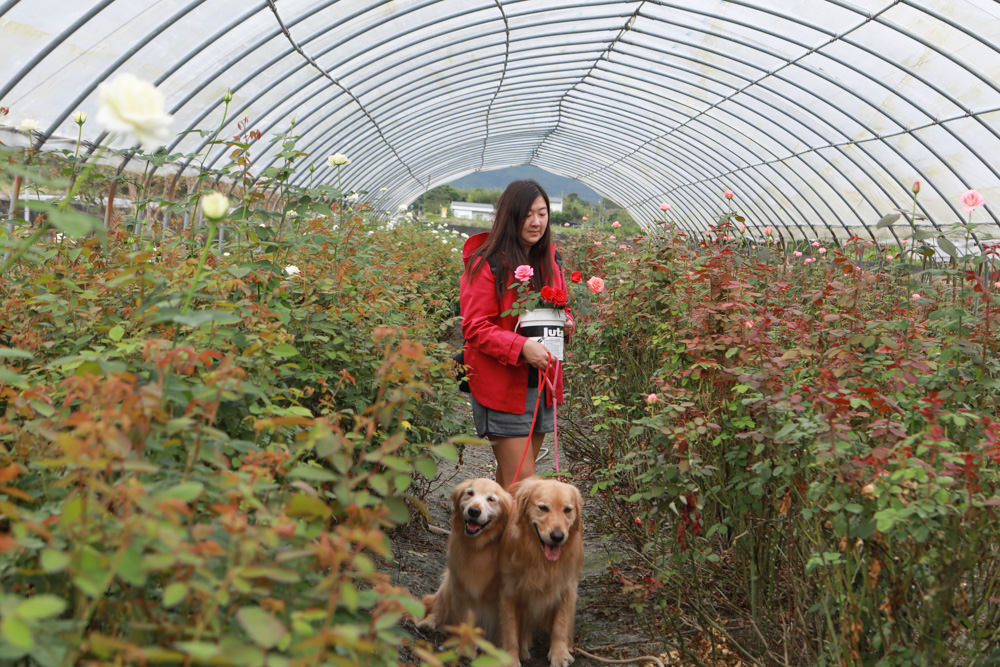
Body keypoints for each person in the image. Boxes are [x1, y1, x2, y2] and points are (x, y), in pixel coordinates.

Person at [459, 180, 573, 489]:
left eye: (542, 213)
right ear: (510, 216)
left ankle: (498, 537)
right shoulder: (487, 264)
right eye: (527, 215)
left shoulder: (551, 260)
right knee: (524, 481)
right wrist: (521, 346)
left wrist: (566, 323)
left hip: (540, 380)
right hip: (502, 383)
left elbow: (559, 307)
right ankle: (524, 538)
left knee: (512, 480)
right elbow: (475, 326)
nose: (536, 222)